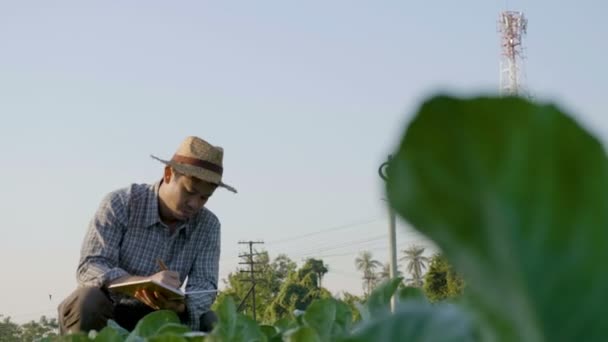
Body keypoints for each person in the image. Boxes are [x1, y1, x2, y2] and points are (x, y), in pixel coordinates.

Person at [57, 136, 236, 334]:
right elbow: (90, 266)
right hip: (111, 309)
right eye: (189, 191)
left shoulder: (208, 225)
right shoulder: (121, 203)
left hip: (164, 316)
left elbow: (205, 285)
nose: (194, 204)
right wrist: (141, 283)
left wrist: (181, 306)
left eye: (204, 197)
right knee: (87, 301)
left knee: (212, 321)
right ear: (169, 174)